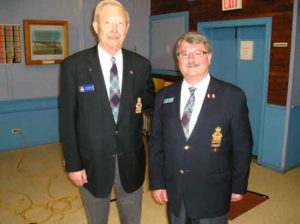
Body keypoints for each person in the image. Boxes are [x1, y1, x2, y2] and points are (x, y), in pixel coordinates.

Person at [59, 0, 155, 223]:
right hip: (92, 162)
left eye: (120, 23)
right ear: (95, 26)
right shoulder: (74, 66)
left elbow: (152, 106)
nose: (114, 30)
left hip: (131, 160)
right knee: (97, 218)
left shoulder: (141, 65)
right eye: (108, 22)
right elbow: (67, 120)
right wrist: (73, 164)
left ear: (127, 28)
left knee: (132, 218)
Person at [148, 31, 253, 224]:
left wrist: (238, 185)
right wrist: (157, 183)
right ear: (177, 59)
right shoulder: (163, 96)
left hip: (213, 193)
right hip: (176, 191)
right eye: (184, 53)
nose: (191, 59)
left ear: (209, 57)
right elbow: (156, 143)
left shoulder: (233, 96)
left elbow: (242, 146)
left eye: (198, 52)